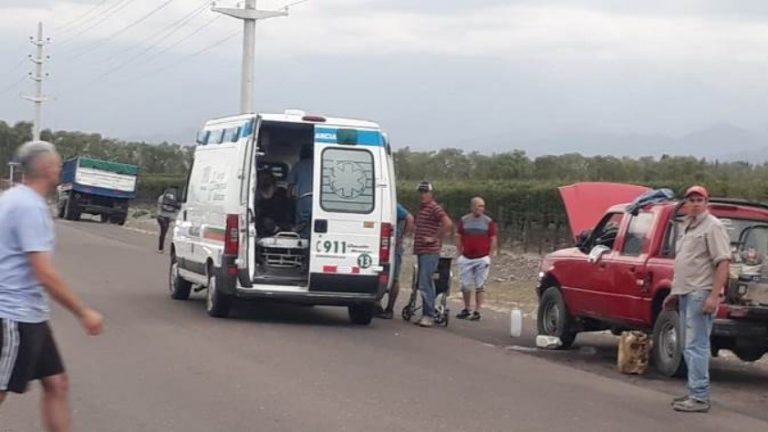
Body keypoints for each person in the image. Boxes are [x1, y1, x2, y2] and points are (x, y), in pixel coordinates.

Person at [0, 141, 104, 431]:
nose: (60, 169)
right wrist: (83, 312)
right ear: (47, 169)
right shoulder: (29, 207)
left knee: (57, 383)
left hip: (31, 314)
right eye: (58, 164)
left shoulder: (13, 198)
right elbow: (44, 273)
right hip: (13, 315)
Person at [662, 185, 730, 413]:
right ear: (685, 204)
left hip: (701, 293)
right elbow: (686, 263)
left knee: (696, 346)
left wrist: (714, 295)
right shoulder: (687, 227)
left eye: (699, 200)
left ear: (707, 203)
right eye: (691, 200)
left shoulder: (713, 226)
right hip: (686, 293)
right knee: (687, 346)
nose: (695, 204)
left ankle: (699, 397)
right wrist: (674, 293)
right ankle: (694, 391)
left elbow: (723, 262)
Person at [413, 181, 453, 328]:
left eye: (425, 192)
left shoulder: (434, 208)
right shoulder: (423, 208)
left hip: (430, 251)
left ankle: (429, 315)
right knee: (422, 282)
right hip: (421, 250)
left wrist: (434, 238)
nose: (422, 195)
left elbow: (447, 223)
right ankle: (426, 313)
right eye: (421, 192)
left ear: (431, 193)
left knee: (425, 282)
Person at [456, 197, 498, 321]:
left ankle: (477, 311)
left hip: (482, 257)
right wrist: (459, 252)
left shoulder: (488, 221)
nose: (481, 209)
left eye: (483, 206)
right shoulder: (464, 220)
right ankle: (467, 308)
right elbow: (458, 235)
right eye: (479, 206)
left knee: (480, 285)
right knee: (465, 285)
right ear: (473, 207)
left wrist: (490, 255)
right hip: (467, 257)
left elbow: (493, 238)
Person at [376, 203, 414, 319]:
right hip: (384, 244)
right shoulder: (385, 203)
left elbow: (409, 218)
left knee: (394, 277)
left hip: (393, 246)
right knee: (381, 273)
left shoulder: (393, 205)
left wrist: (402, 237)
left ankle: (389, 308)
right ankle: (377, 305)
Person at [287, 144, 314, 239]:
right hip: (318, 199)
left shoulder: (298, 165)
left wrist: (288, 198)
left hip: (304, 198)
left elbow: (290, 184)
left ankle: (303, 239)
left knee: (302, 223)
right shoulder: (317, 164)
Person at [156, 187, 180, 253]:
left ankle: (160, 249)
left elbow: (159, 206)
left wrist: (158, 214)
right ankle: (174, 250)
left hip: (161, 216)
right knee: (173, 234)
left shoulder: (161, 197)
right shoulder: (176, 198)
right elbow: (177, 208)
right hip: (170, 217)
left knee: (162, 233)